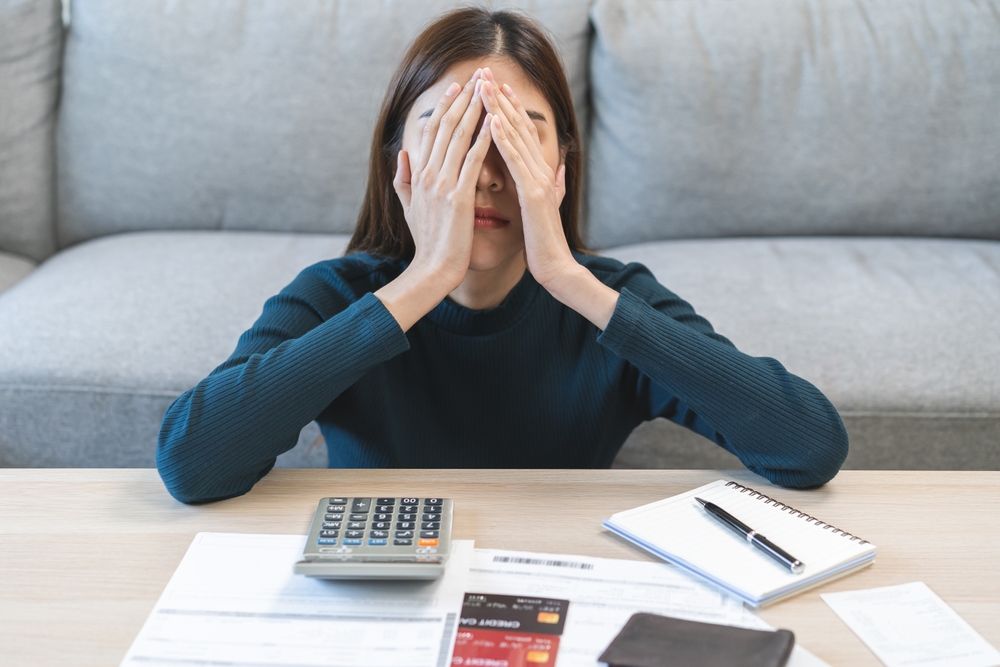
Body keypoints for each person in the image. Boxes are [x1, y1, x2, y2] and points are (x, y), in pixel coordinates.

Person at [157, 8, 849, 504]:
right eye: (453, 135)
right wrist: (426, 278)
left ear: (560, 168)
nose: (485, 174)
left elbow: (809, 446)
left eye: (515, 136)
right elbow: (191, 463)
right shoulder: (335, 295)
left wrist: (569, 280)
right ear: (399, 162)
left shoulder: (610, 300)